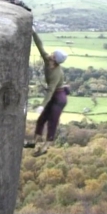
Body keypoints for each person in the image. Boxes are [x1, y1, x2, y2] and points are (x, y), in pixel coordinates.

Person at [24, 24, 69, 157]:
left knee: (52, 122)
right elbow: (40, 45)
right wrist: (33, 33)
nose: (50, 54)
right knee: (41, 120)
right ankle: (34, 142)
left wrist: (42, 105)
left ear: (56, 60)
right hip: (53, 96)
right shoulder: (47, 59)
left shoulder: (56, 73)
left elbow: (50, 91)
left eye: (53, 54)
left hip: (59, 98)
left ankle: (45, 147)